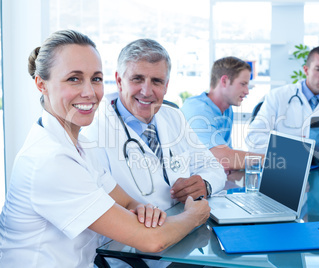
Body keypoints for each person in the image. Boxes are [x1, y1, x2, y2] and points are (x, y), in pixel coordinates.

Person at [0, 30, 210, 267]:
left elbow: (128, 202)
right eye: (74, 79)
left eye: (96, 79)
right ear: (42, 84)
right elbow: (152, 241)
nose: (90, 92)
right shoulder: (49, 160)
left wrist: (144, 210)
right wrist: (194, 216)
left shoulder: (79, 146)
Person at [82, 39, 226, 209]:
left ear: (166, 86)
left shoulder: (174, 116)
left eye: (157, 81)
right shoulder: (93, 130)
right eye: (137, 79)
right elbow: (101, 204)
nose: (146, 91)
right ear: (119, 81)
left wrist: (205, 185)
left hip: (186, 225)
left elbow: (214, 169)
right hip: (135, 232)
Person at [246, 46, 319, 154]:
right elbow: (254, 138)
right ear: (306, 70)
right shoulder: (277, 96)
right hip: (285, 165)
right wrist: (294, 148)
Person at [181, 56, 264, 171]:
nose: (247, 91)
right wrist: (266, 160)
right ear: (224, 81)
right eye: (243, 84)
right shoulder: (197, 109)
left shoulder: (227, 110)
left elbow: (227, 159)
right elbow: (223, 158)